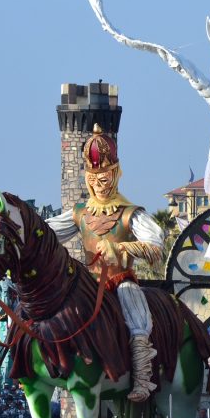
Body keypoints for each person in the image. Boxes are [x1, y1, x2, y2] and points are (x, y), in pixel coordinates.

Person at [46, 124, 164, 401]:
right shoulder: (80, 213)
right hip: (88, 281)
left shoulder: (129, 213)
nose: (99, 184)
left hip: (120, 279)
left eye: (104, 178)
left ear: (115, 174)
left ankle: (142, 378)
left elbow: (156, 244)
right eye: (94, 178)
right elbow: (49, 232)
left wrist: (121, 247)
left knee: (134, 311)